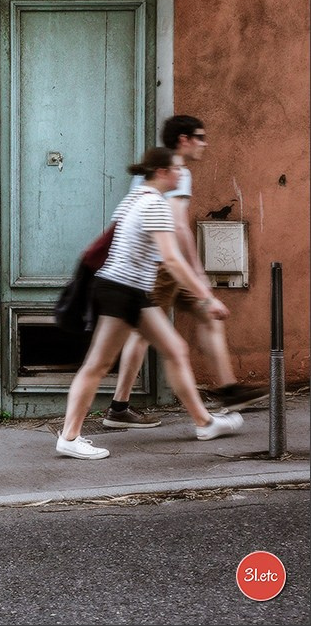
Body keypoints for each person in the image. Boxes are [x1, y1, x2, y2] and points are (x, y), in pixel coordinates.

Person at [56, 148, 245, 460]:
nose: (181, 173)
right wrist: (205, 296)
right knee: (98, 365)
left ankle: (205, 423)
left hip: (130, 291)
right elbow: (172, 259)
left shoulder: (135, 198)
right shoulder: (155, 205)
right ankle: (69, 436)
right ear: (161, 172)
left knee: (175, 349)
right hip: (123, 291)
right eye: (176, 169)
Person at [102, 116, 267, 429]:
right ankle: (120, 407)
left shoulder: (153, 168)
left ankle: (229, 391)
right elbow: (178, 225)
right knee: (144, 334)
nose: (204, 143)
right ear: (183, 140)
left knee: (207, 316)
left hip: (164, 266)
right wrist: (197, 271)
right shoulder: (176, 171)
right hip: (164, 268)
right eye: (200, 137)